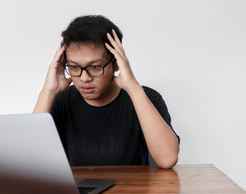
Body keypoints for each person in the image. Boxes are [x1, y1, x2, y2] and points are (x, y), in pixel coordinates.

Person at [33, 15, 179, 168]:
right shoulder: (60, 100)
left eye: (95, 67)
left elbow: (167, 159)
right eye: (74, 67)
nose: (84, 78)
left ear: (116, 64)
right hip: (79, 191)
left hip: (131, 190)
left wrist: (133, 88)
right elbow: (29, 161)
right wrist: (48, 91)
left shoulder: (146, 98)